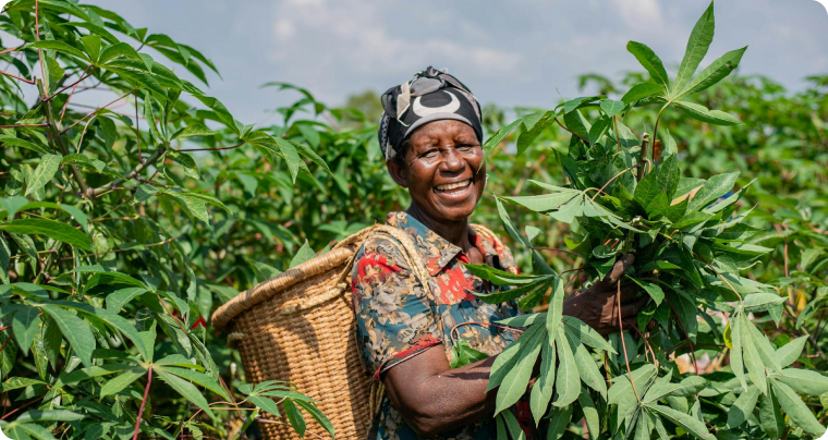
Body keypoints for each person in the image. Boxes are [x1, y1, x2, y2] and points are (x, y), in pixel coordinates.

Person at [350, 67, 646, 440]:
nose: (454, 163)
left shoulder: (490, 247)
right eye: (429, 151)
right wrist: (559, 328)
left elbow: (515, 359)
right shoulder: (386, 257)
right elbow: (426, 406)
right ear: (399, 171)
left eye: (465, 145)